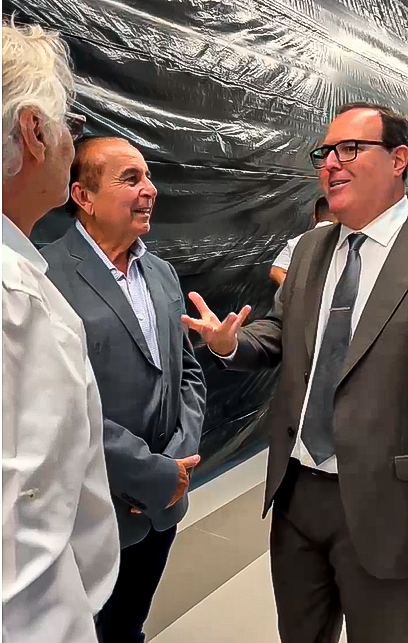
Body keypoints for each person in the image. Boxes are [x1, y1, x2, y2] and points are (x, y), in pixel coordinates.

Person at [182, 103, 408, 643]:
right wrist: (232, 343)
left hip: (387, 500)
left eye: (350, 149)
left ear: (399, 159)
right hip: (298, 489)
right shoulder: (310, 250)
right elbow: (283, 332)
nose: (331, 163)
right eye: (325, 153)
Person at [41, 135, 207, 643]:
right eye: (131, 179)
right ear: (83, 196)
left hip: (163, 504)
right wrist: (145, 472)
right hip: (91, 507)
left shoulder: (161, 272)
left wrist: (175, 466)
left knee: (128, 626)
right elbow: (56, 404)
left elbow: (188, 374)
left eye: (149, 177)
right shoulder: (45, 276)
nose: (150, 189)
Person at [2, 22, 119, 643]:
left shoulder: (24, 281)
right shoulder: (16, 296)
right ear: (33, 131)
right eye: (69, 124)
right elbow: (25, 531)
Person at [270, 196, 338, 286]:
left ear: (314, 218)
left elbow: (276, 271)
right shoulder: (348, 241)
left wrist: (294, 291)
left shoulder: (297, 242)